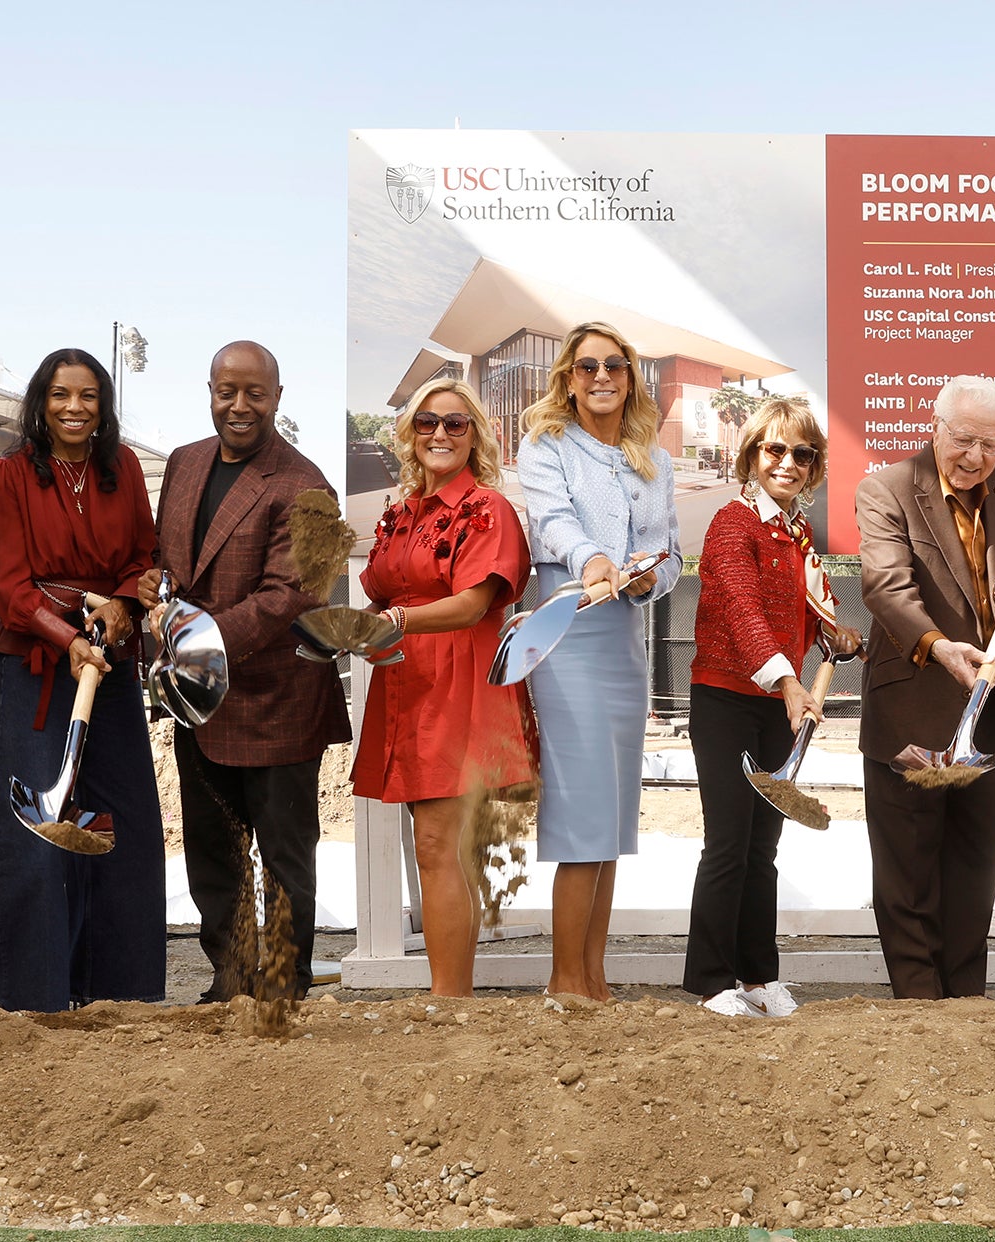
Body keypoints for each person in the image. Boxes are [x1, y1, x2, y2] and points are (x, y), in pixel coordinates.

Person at [140, 340, 350, 1004]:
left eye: (254, 393)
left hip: (277, 698)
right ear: (209, 391)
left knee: (284, 860)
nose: (239, 405)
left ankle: (284, 988)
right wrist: (154, 584)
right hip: (199, 702)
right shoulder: (182, 464)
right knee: (213, 854)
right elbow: (167, 557)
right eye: (226, 390)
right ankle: (229, 979)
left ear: (278, 398)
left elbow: (292, 595)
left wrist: (194, 637)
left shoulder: (307, 483)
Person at [0, 349, 165, 1013]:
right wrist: (68, 642)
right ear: (40, 400)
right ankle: (29, 1000)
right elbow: (9, 588)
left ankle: (121, 993)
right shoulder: (5, 476)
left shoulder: (125, 472)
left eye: (88, 396)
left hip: (109, 663)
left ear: (103, 405)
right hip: (35, 668)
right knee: (32, 835)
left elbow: (145, 556)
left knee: (125, 824)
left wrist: (121, 608)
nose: (74, 408)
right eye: (61, 395)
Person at [856, 375, 995, 1000]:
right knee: (907, 864)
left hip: (986, 705)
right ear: (934, 428)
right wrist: (939, 647)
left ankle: (967, 1002)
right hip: (912, 701)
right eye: (963, 440)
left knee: (974, 862)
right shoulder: (884, 489)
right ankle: (917, 1002)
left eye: (991, 445)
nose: (975, 458)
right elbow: (885, 588)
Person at [352, 378, 536, 997]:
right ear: (409, 433)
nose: (439, 434)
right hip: (405, 679)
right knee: (430, 844)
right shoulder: (399, 515)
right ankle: (446, 996)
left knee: (438, 842)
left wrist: (397, 619)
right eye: (427, 422)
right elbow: (378, 590)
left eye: (455, 424)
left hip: (460, 680)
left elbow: (473, 604)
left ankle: (451, 1001)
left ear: (475, 436)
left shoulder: (488, 507)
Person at [515, 320, 681, 1001]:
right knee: (581, 812)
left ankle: (596, 979)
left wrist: (649, 580)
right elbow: (554, 524)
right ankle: (564, 983)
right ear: (569, 379)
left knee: (611, 817)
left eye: (615, 365)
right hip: (567, 629)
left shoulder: (656, 460)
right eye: (587, 367)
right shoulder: (545, 444)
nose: (602, 376)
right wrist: (597, 562)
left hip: (623, 637)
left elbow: (668, 551)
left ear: (631, 376)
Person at [683, 399, 859, 1017]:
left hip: (775, 706)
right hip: (727, 701)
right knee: (729, 842)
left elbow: (809, 603)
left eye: (802, 454)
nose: (788, 463)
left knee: (764, 846)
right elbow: (741, 608)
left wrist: (834, 632)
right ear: (752, 455)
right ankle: (711, 981)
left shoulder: (797, 530)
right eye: (774, 450)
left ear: (814, 467)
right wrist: (789, 684)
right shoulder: (732, 523)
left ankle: (759, 976)